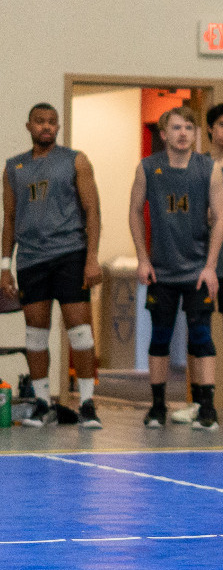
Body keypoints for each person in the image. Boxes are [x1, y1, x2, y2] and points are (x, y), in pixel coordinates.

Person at [2, 103, 104, 428]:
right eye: (40, 122)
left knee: (80, 332)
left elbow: (93, 212)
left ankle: (87, 402)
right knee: (35, 336)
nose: (46, 127)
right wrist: (6, 266)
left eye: (52, 122)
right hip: (31, 260)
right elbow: (9, 219)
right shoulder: (13, 167)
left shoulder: (75, 160)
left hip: (70, 255)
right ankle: (43, 403)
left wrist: (91, 258)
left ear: (58, 127)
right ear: (29, 126)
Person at [128, 107, 223, 430]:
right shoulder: (148, 168)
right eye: (176, 128)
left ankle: (207, 407)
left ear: (197, 133)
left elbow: (221, 218)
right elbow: (133, 212)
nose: (183, 133)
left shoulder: (208, 169)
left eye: (188, 127)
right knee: (160, 338)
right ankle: (158, 406)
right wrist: (143, 258)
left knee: (201, 338)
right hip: (161, 271)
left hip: (197, 270)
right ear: (164, 134)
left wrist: (210, 266)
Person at [172, 103, 223, 426]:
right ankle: (199, 401)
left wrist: (215, 214)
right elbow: (187, 211)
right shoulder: (195, 166)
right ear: (208, 128)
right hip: (198, 261)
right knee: (199, 333)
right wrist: (222, 213)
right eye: (221, 124)